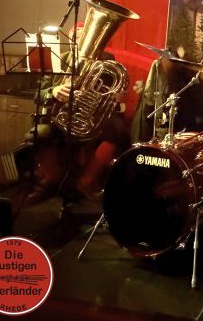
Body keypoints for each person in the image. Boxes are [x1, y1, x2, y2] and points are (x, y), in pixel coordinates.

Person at [28, 22, 129, 202]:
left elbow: (111, 93)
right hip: (60, 116)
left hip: (91, 118)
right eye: (77, 36)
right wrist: (54, 91)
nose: (81, 40)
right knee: (39, 133)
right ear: (70, 38)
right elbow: (38, 95)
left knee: (118, 130)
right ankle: (52, 180)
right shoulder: (58, 59)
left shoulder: (107, 60)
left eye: (86, 35)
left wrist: (117, 97)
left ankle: (85, 183)